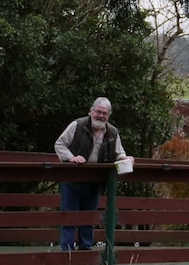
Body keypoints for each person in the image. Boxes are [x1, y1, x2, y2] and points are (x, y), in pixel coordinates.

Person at [54, 97, 133, 251]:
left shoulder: (112, 132)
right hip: (72, 180)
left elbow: (119, 152)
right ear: (91, 111)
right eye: (98, 112)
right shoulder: (78, 125)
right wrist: (71, 157)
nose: (101, 116)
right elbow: (60, 144)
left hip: (94, 182)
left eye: (104, 113)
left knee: (89, 218)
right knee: (68, 217)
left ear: (108, 116)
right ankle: (67, 253)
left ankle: (85, 251)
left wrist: (124, 158)